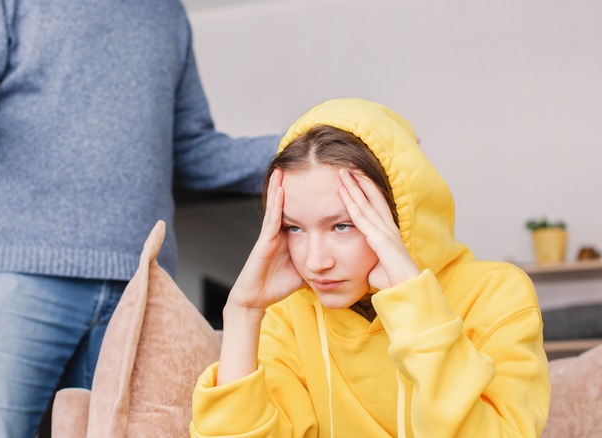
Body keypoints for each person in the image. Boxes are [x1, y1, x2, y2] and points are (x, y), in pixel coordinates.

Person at [0, 1, 278, 436]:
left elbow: (192, 151)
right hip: (19, 269)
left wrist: (304, 146)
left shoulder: (167, 13)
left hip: (141, 287)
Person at [190, 98, 551, 437]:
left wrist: (415, 306)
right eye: (294, 227)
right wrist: (243, 312)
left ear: (397, 218)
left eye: (342, 225)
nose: (316, 262)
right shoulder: (289, 317)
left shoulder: (497, 293)